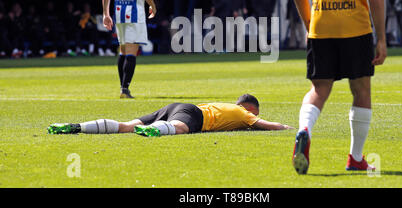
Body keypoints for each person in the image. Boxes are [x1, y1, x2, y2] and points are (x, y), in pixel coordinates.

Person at [291, 0, 386, 174]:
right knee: (361, 90)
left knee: (319, 89)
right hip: (355, 27)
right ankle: (356, 158)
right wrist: (381, 38)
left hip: (321, 27)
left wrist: (311, 26)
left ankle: (304, 129)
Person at [47, 94, 293, 135]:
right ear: (250, 108)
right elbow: (266, 125)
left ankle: (77, 126)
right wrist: (287, 128)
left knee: (126, 125)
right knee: (181, 128)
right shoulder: (243, 113)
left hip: (176, 106)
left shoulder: (225, 106)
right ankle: (155, 130)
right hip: (194, 114)